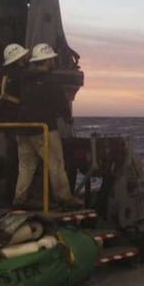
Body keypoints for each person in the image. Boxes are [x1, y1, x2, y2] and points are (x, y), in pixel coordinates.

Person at [13, 43, 84, 210]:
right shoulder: (51, 81)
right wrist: (67, 117)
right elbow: (61, 104)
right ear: (46, 61)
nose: (52, 62)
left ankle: (19, 199)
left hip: (22, 130)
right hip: (43, 130)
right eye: (51, 60)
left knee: (26, 167)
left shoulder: (24, 80)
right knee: (56, 165)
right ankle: (64, 198)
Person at [0, 43, 29, 124]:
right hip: (15, 114)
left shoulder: (6, 74)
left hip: (4, 114)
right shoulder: (20, 74)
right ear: (19, 58)